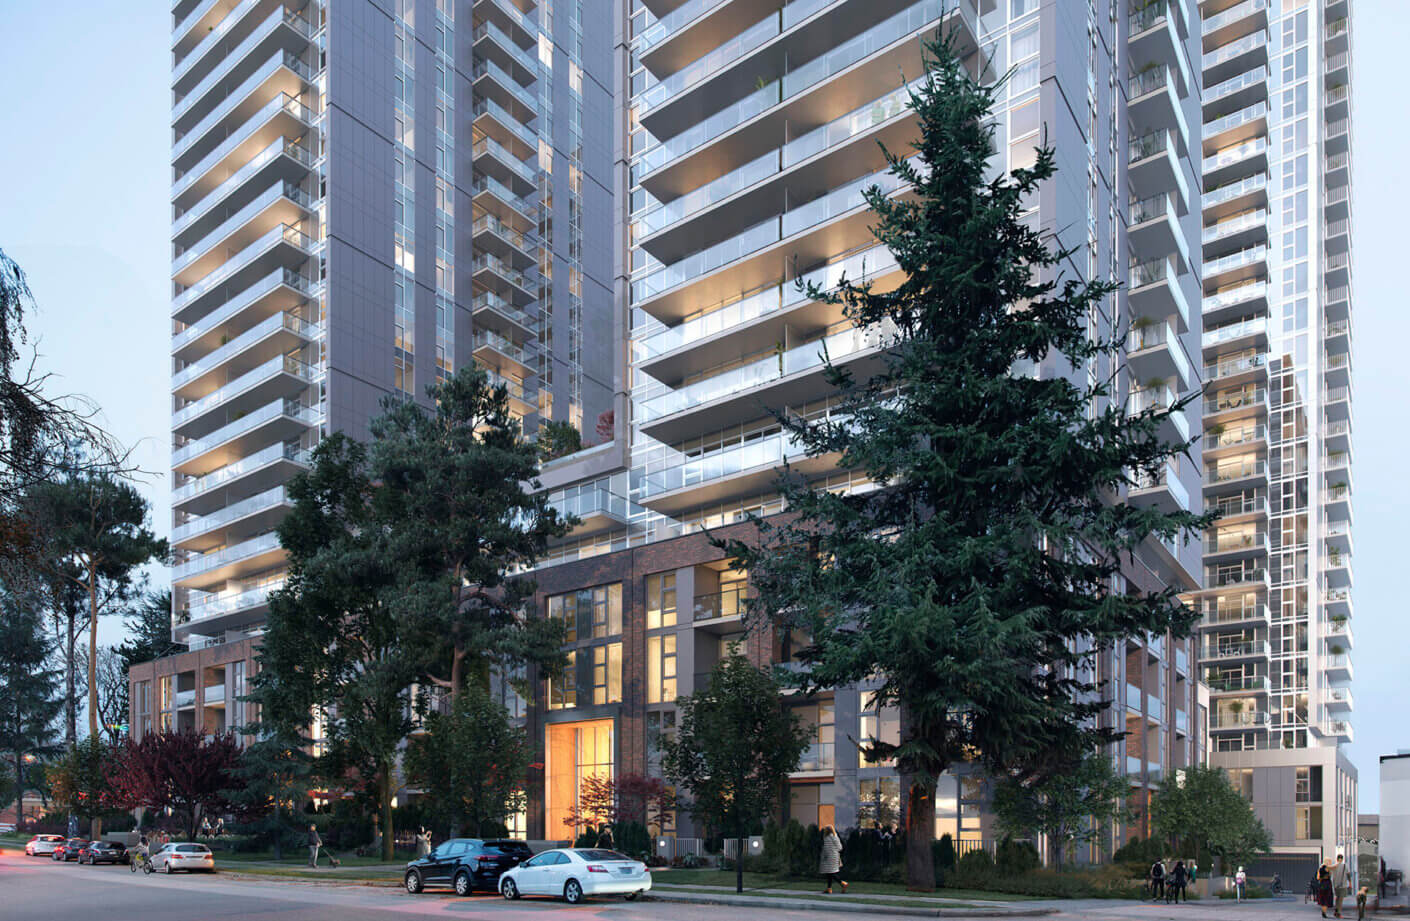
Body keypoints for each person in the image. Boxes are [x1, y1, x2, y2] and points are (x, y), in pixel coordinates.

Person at [819, 824, 846, 894]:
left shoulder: (826, 838)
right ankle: (829, 888)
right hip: (835, 856)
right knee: (830, 873)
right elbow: (840, 847)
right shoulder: (835, 837)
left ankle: (842, 883)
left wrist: (823, 857)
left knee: (830, 873)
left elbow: (826, 849)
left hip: (829, 857)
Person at [1332, 853, 1351, 918]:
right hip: (1343, 885)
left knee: (1337, 898)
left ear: (1337, 859)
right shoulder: (1345, 866)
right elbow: (1348, 875)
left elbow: (1331, 875)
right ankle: (1338, 913)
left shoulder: (1334, 866)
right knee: (1340, 900)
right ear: (1342, 859)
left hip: (1335, 885)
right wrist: (1350, 883)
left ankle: (1336, 911)